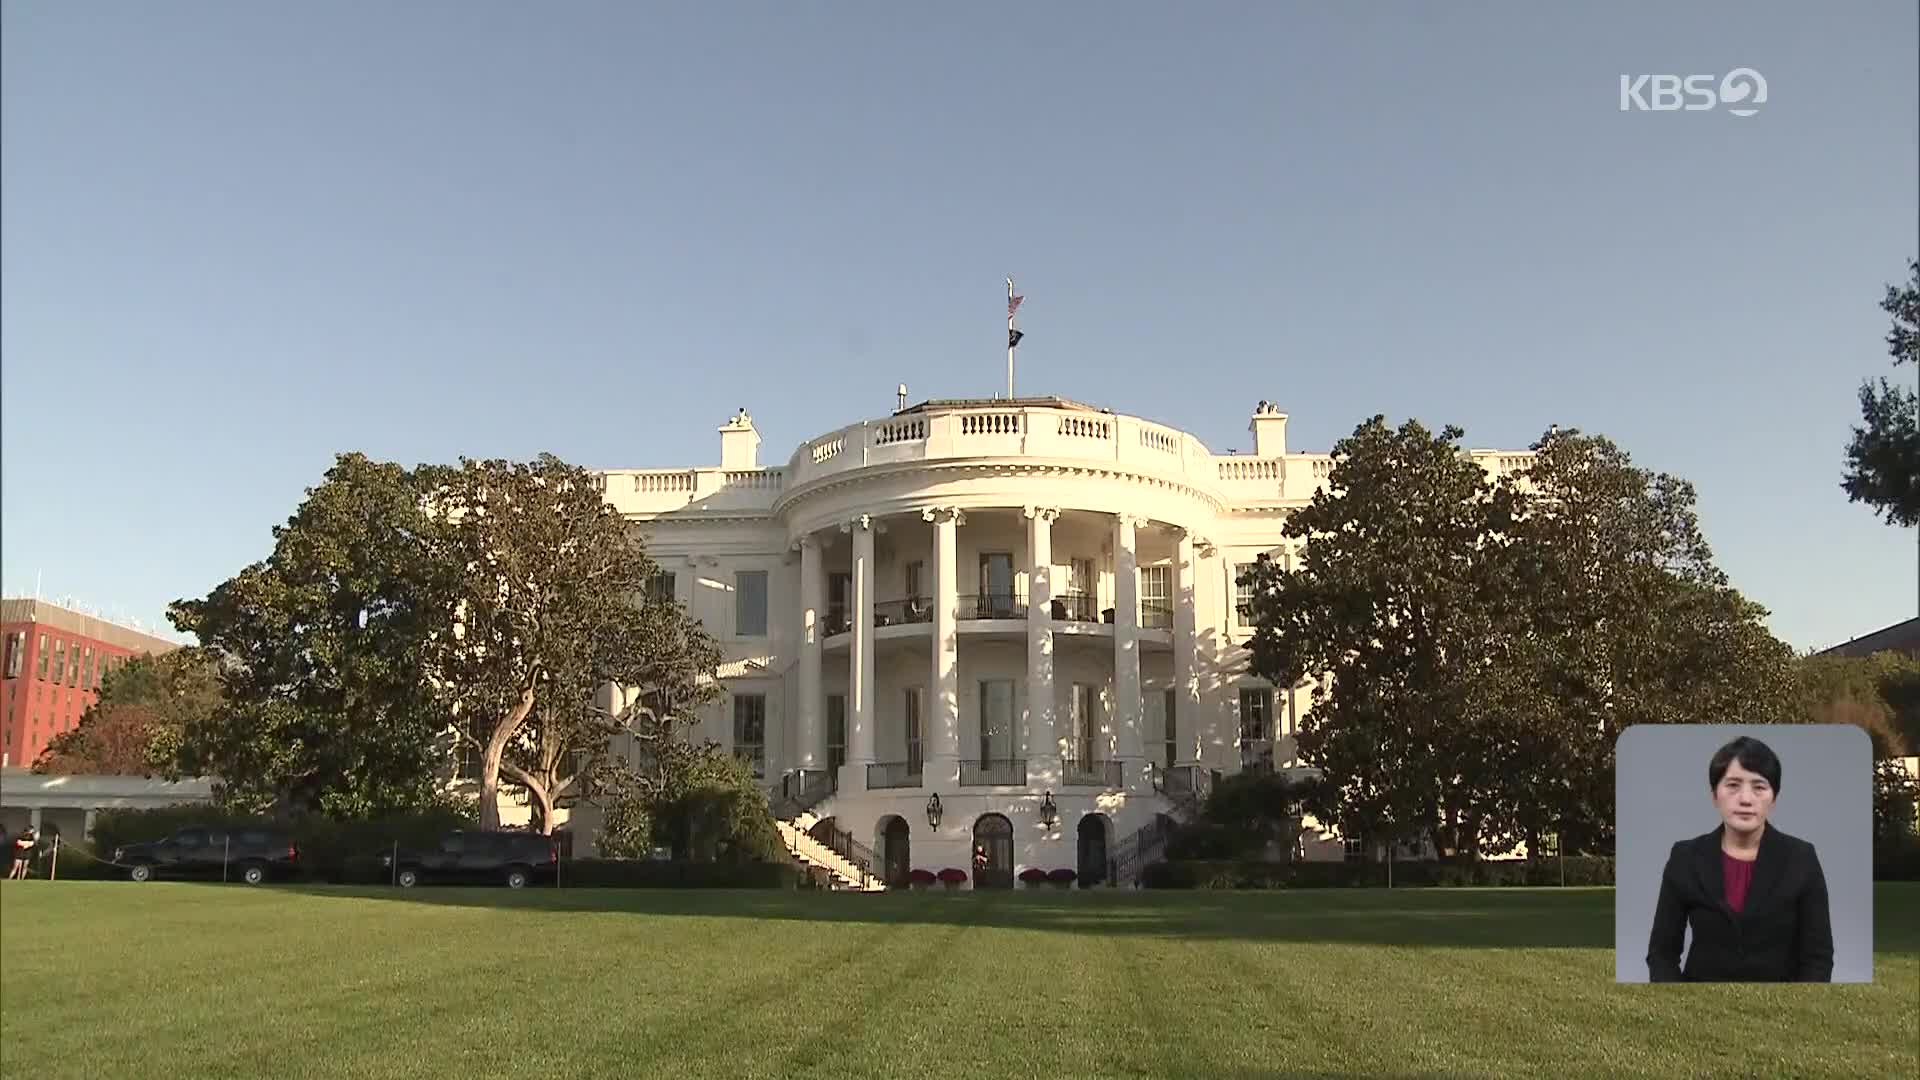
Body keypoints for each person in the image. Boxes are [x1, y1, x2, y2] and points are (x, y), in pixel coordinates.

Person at [1645, 736, 1834, 982]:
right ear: (1714, 795)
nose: (1746, 799)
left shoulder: (1801, 858)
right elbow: (1661, 953)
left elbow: (1818, 958)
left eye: (1759, 786)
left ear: (1774, 798)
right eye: (1733, 785)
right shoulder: (1685, 857)